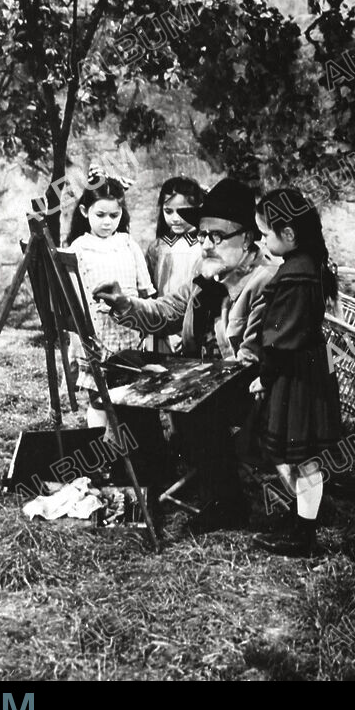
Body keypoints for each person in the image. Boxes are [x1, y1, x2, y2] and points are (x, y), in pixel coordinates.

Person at [94, 178, 279, 529]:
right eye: (203, 235)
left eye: (217, 237)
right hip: (202, 374)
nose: (206, 244)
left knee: (204, 397)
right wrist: (123, 303)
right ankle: (154, 466)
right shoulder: (204, 271)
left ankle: (226, 503)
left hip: (247, 387)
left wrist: (193, 374)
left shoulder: (264, 280)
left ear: (248, 239)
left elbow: (255, 357)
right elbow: (166, 312)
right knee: (123, 365)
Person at [249, 188, 342, 557]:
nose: (261, 240)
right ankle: (302, 518)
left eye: (265, 233)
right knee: (300, 458)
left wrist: (265, 377)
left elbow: (280, 338)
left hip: (296, 376)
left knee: (302, 460)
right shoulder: (309, 264)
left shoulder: (295, 275)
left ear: (288, 234)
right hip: (310, 370)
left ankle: (304, 536)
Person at [65, 173, 155, 430]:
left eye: (113, 216)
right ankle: (98, 448)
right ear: (85, 211)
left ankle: (124, 449)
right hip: (96, 333)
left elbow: (145, 290)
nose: (107, 222)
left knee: (127, 395)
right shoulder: (79, 248)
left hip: (127, 332)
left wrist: (147, 328)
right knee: (100, 398)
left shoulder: (127, 244)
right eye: (100, 215)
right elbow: (73, 298)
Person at [144, 176, 204, 353]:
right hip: (163, 323)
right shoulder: (157, 247)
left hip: (192, 323)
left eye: (182, 211)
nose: (175, 218)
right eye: (168, 211)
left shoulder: (203, 246)